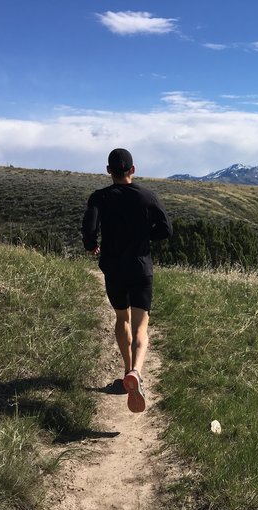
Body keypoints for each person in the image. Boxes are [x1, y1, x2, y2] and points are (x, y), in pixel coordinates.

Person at [81, 148, 173, 413]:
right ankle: (136, 372)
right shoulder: (147, 196)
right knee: (141, 326)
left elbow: (89, 229)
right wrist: (144, 237)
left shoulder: (99, 197)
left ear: (109, 171)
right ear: (132, 170)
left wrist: (92, 245)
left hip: (114, 268)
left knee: (122, 319)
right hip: (141, 267)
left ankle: (126, 373)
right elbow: (166, 229)